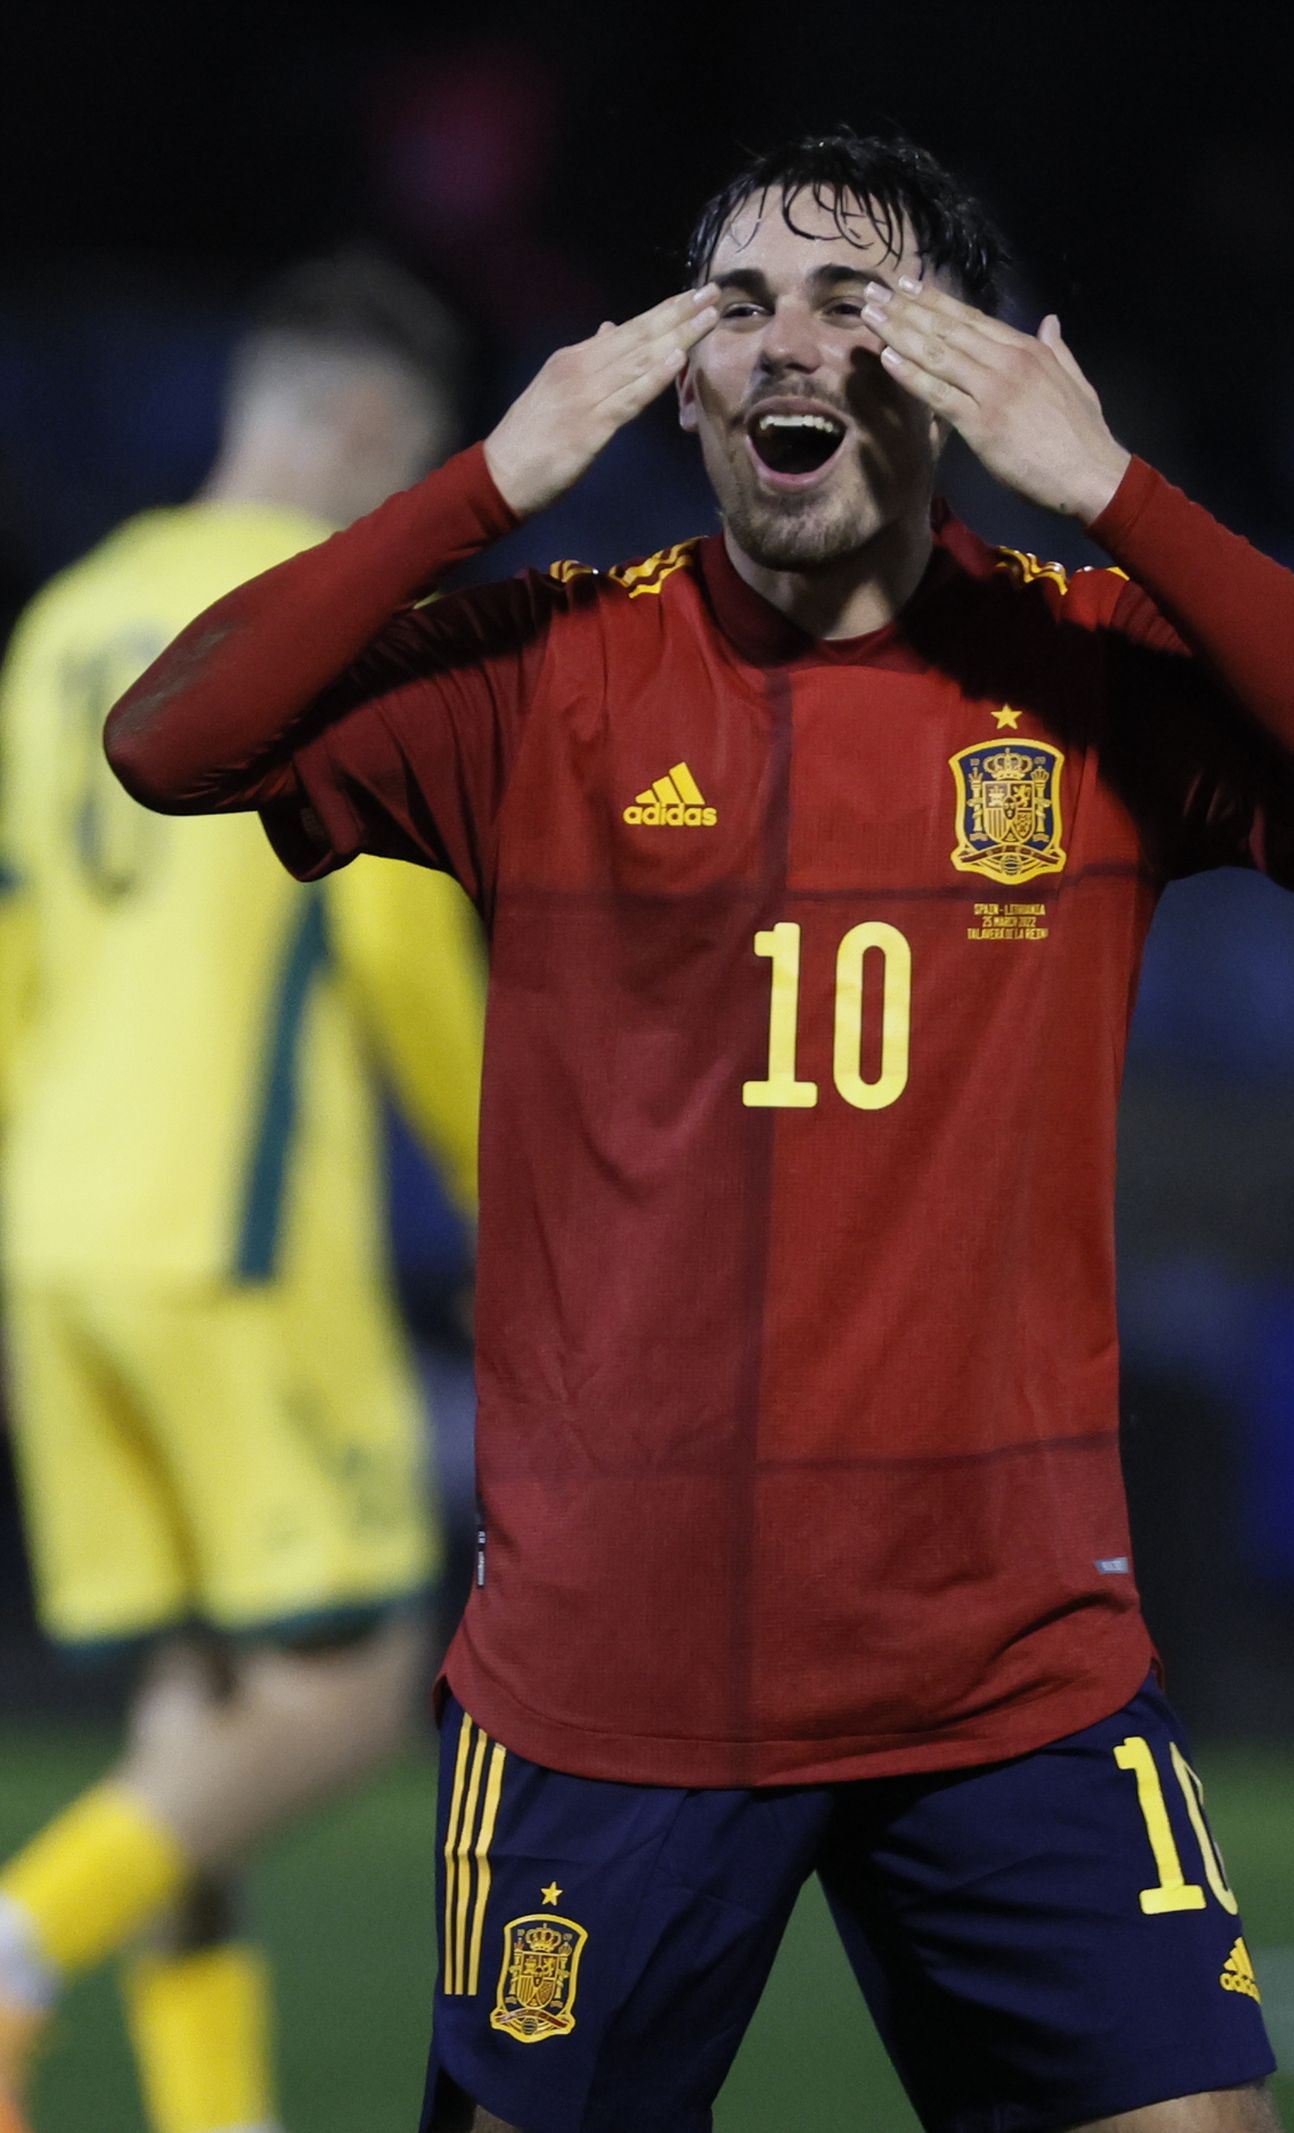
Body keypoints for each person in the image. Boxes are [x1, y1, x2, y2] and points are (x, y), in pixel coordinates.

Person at [103, 134, 1294, 2133]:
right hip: (614, 1686)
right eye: (735, 305)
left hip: (1004, 1677)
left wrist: (1110, 489)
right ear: (676, 372)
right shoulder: (554, 667)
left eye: (851, 299)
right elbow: (171, 739)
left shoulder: (1081, 673)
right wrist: (486, 480)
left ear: (959, 362)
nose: (780, 343)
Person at [0, 257, 485, 2133]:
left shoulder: (57, 623)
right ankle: (22, 1937)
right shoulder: (305, 625)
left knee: (191, 1731)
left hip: (57, 1241)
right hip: (232, 1237)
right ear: (365, 438)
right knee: (348, 1696)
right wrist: (526, 1190)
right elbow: (399, 961)